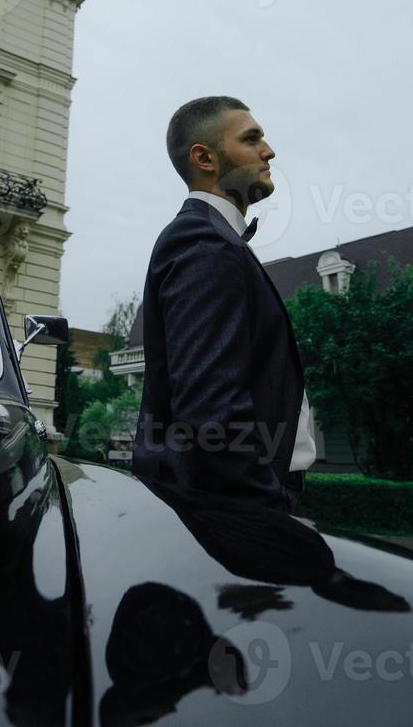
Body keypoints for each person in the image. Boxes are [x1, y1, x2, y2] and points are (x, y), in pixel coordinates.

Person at [131, 96, 315, 514]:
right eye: (252, 139)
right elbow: (210, 415)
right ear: (205, 157)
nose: (269, 151)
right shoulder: (205, 242)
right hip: (236, 514)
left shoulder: (214, 239)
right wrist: (270, 510)